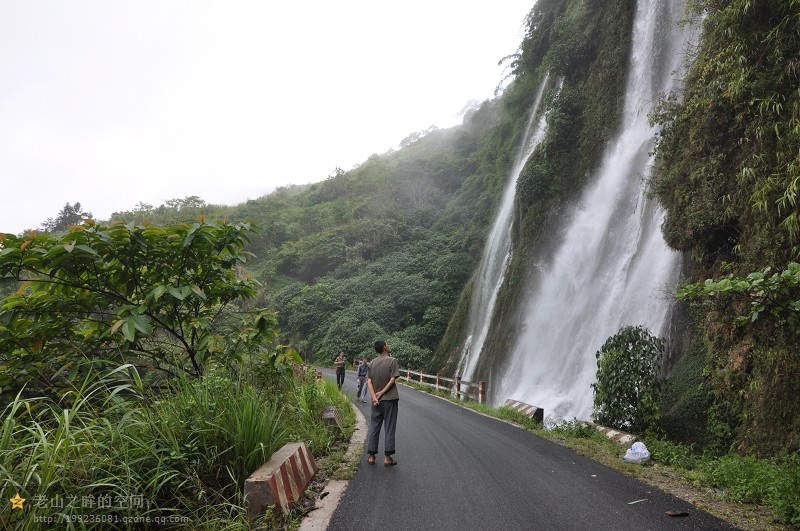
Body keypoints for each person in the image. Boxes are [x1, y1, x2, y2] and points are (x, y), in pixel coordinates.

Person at [366, 340, 400, 467]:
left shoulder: (372, 362)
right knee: (389, 427)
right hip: (389, 399)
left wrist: (375, 396)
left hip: (376, 401)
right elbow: (393, 379)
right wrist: (382, 393)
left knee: (374, 426)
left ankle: (371, 456)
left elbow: (369, 381)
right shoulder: (392, 361)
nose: (389, 346)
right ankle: (387, 458)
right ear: (385, 347)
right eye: (387, 344)